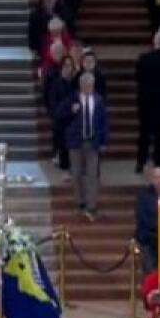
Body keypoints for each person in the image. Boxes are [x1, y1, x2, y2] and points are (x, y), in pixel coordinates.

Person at [61, 72, 108, 222]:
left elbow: (103, 122)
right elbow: (59, 116)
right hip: (76, 142)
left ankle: (91, 205)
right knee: (76, 173)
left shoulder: (99, 100)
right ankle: (80, 202)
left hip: (92, 142)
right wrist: (70, 111)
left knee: (92, 174)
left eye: (91, 85)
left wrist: (103, 141)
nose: (89, 88)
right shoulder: (72, 99)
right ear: (81, 85)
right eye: (86, 85)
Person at [133, 167, 160, 274]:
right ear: (152, 179)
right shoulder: (143, 196)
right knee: (150, 272)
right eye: (156, 177)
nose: (159, 180)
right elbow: (142, 217)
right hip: (148, 240)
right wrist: (158, 227)